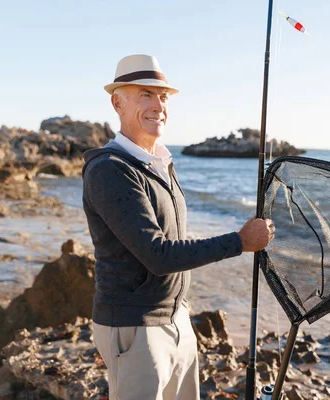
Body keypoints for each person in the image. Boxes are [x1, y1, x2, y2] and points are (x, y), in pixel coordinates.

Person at [82, 54, 275, 400]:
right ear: (117, 102)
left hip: (177, 318)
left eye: (164, 96)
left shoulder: (161, 163)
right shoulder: (110, 170)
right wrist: (240, 241)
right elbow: (158, 255)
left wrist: (180, 314)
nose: (158, 105)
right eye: (145, 94)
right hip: (134, 326)